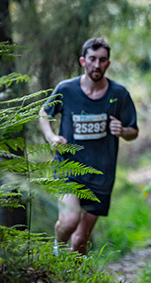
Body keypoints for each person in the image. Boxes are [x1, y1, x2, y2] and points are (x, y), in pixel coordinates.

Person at [39, 37, 139, 255]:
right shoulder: (66, 89)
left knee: (81, 241)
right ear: (83, 61)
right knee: (69, 222)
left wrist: (122, 131)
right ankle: (57, 249)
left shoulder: (118, 94)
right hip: (69, 169)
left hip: (101, 175)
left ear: (108, 64)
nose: (97, 65)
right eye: (92, 59)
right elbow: (44, 113)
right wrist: (51, 137)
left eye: (102, 60)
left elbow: (133, 131)